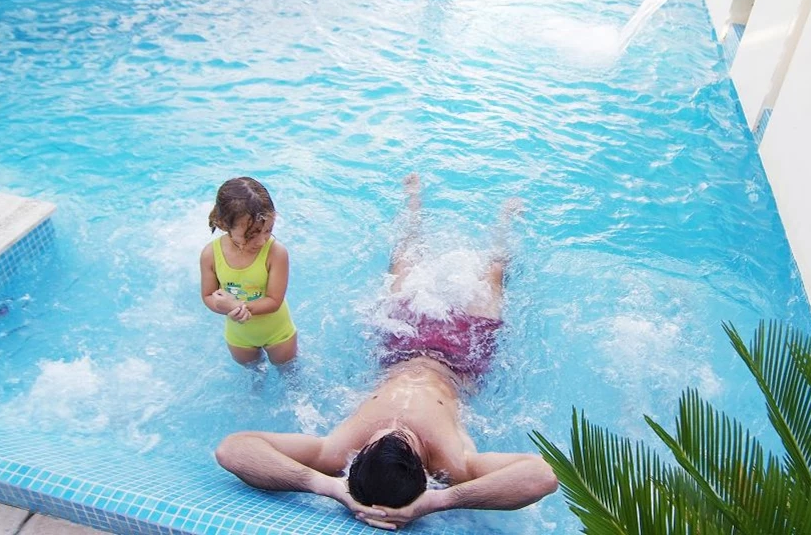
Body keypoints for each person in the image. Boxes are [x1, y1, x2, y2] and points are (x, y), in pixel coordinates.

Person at [214, 173, 558, 531]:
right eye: (404, 441)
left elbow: (234, 448)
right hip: (460, 360)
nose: (393, 427)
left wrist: (329, 487)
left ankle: (413, 200)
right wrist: (439, 500)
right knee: (494, 274)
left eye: (381, 439)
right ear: (423, 469)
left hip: (399, 346)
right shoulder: (453, 462)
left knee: (403, 260)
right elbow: (542, 476)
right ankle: (505, 221)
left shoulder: (338, 449)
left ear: (359, 457)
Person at [200, 176, 298, 366]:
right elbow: (207, 295)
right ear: (223, 225)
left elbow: (274, 300)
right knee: (253, 379)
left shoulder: (276, 253)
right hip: (239, 338)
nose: (261, 241)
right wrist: (223, 306)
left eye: (268, 230)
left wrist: (237, 307)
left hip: (278, 332)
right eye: (251, 235)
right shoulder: (210, 254)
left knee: (289, 374)